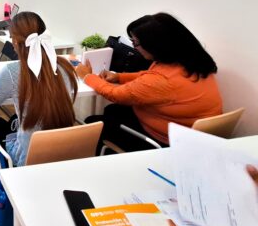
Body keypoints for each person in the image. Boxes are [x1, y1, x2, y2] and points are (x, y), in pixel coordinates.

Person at [76, 12, 222, 153]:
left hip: (169, 143)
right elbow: (148, 76)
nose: (134, 47)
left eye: (135, 43)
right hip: (193, 133)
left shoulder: (162, 80)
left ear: (154, 45)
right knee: (113, 110)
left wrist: (87, 76)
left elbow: (115, 94)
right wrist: (119, 77)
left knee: (93, 123)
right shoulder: (193, 62)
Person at [0, 11, 78, 166]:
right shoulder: (64, 66)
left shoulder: (12, 71)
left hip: (27, 158)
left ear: (15, 42)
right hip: (63, 153)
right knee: (15, 120)